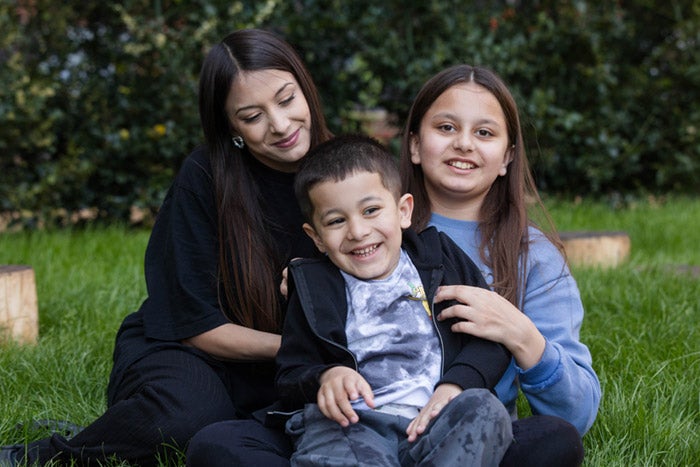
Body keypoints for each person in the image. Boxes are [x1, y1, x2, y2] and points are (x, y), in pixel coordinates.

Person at [0, 28, 332, 467]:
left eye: (287, 99)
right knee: (189, 416)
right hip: (189, 353)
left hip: (289, 368)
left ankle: (120, 429)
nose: (281, 124)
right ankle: (39, 455)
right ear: (231, 128)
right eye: (253, 116)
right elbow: (195, 325)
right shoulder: (205, 177)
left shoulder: (346, 172)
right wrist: (300, 348)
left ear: (305, 88)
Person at [400, 64, 600, 466]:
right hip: (372, 421)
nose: (464, 144)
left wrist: (520, 333)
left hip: (476, 437)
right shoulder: (369, 233)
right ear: (415, 145)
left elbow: (577, 413)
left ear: (507, 157)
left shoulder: (535, 257)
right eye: (446, 128)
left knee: (555, 440)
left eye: (484, 133)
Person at [277, 134, 513, 466]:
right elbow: (290, 372)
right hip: (353, 427)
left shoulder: (440, 259)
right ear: (316, 237)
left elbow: (491, 339)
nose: (357, 231)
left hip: (433, 421)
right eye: (336, 221)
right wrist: (326, 377)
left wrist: (456, 386)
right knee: (326, 436)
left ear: (403, 211)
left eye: (371, 210)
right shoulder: (314, 286)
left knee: (486, 410)